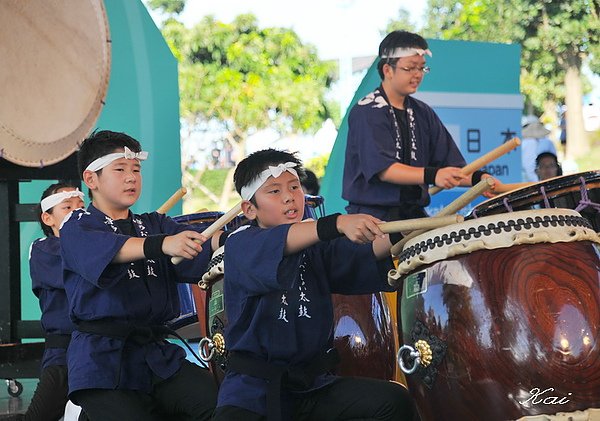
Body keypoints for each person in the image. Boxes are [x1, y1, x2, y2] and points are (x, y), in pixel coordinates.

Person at [213, 149, 417, 421]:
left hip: (312, 387)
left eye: (294, 187)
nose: (289, 196)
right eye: (274, 191)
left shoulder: (316, 249)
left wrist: (402, 233)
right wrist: (338, 223)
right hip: (253, 394)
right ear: (250, 209)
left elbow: (365, 252)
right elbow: (290, 238)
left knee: (393, 401)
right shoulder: (240, 244)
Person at [59, 130, 218, 420]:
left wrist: (234, 237)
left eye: (136, 169)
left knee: (221, 407)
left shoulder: (153, 223)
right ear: (91, 179)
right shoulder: (77, 225)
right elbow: (115, 250)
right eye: (120, 169)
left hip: (157, 357)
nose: (131, 177)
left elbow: (199, 244)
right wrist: (163, 244)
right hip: (103, 363)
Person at [343, 30, 498, 221]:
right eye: (410, 68)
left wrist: (479, 180)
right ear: (387, 70)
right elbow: (385, 170)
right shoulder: (368, 110)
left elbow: (450, 169)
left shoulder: (422, 112)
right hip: (371, 219)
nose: (417, 74)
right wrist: (434, 175)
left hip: (412, 216)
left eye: (422, 68)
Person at [26, 183, 85, 421]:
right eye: (67, 207)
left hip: (97, 349)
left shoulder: (97, 246)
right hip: (63, 352)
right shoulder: (43, 249)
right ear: (47, 218)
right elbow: (81, 270)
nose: (78, 212)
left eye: (82, 207)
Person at [521, 116, 556, 182]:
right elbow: (529, 167)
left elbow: (553, 161)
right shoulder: (528, 143)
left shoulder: (547, 142)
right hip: (531, 182)